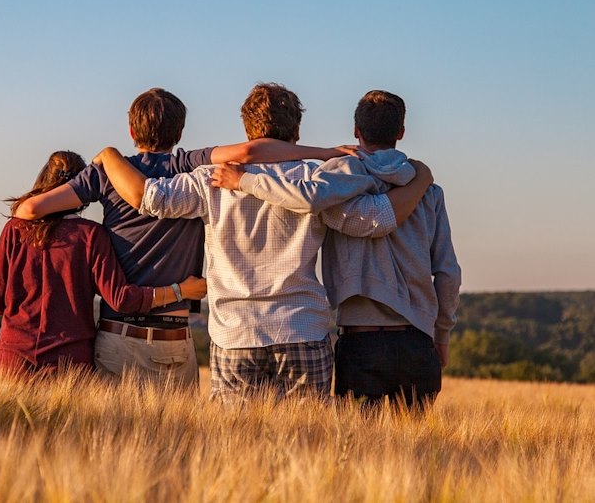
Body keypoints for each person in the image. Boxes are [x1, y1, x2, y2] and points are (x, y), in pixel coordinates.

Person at [94, 83, 434, 402]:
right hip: (302, 328)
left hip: (235, 334)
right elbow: (374, 220)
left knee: (236, 448)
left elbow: (150, 198)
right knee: (307, 447)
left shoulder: (210, 179)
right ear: (297, 132)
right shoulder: (317, 180)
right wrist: (420, 180)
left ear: (247, 131)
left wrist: (109, 156)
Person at [14, 88, 355, 387]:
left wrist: (105, 160)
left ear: (131, 130)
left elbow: (29, 211)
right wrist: (324, 153)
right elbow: (251, 154)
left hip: (120, 334)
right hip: (178, 338)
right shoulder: (188, 165)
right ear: (179, 132)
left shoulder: (107, 173)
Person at [212, 90, 461, 409]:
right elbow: (449, 274)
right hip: (418, 341)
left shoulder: (334, 182)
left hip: (360, 343)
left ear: (356, 131)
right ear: (400, 133)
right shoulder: (428, 191)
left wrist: (245, 181)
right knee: (414, 454)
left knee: (358, 451)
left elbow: (306, 197)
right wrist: (441, 335)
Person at [0, 150, 207, 379]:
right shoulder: (91, 235)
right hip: (69, 368)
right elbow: (121, 299)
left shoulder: (14, 230)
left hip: (11, 364)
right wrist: (180, 291)